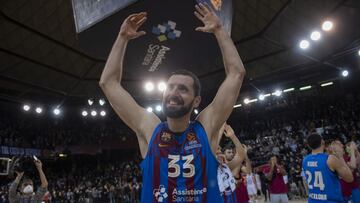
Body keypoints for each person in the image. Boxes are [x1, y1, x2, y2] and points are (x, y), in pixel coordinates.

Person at [99, 2, 246, 203]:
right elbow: (108, 83)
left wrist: (220, 30)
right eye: (170, 87)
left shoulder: (206, 128)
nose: (174, 93)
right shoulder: (150, 128)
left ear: (196, 101)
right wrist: (122, 38)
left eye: (183, 89)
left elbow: (236, 74)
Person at [302, 133, 353, 202]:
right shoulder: (330, 159)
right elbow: (349, 178)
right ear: (322, 142)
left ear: (308, 145)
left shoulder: (305, 160)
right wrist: (340, 156)